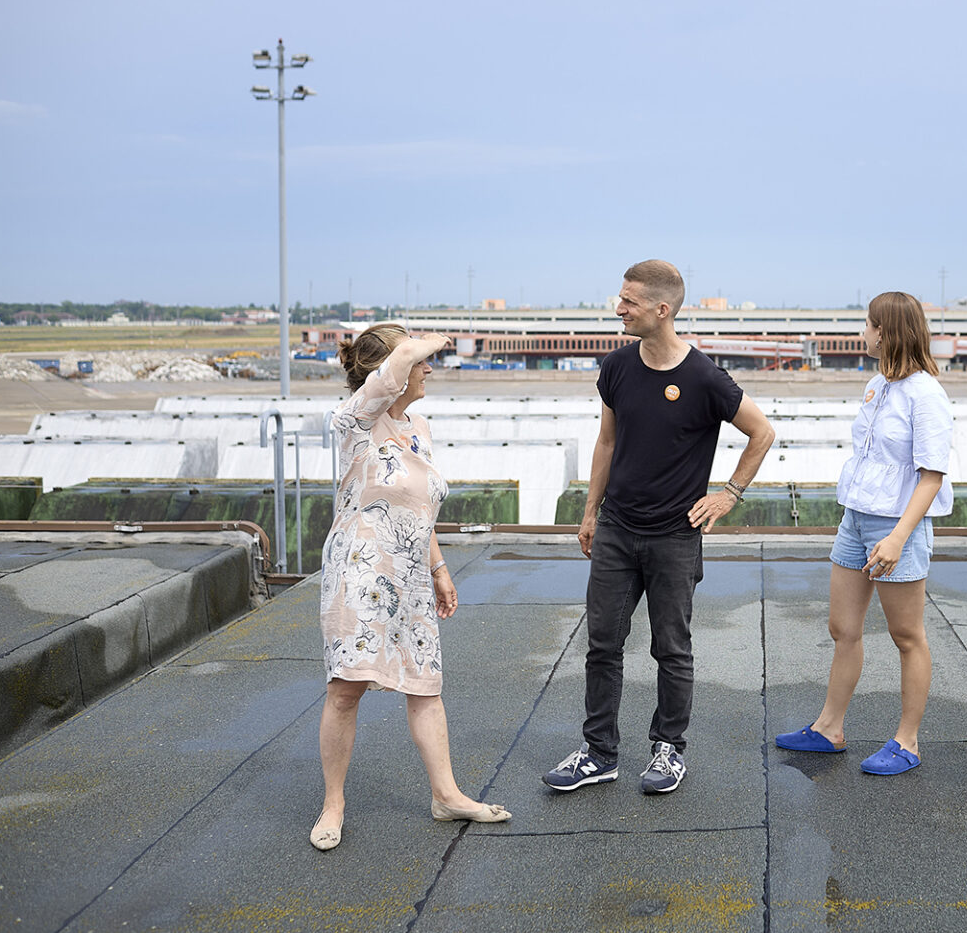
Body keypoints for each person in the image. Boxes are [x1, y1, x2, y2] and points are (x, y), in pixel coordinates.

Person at [544, 260, 776, 795]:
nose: (618, 309)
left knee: (671, 648)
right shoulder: (618, 367)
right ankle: (599, 752)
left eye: (628, 302)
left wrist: (728, 495)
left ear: (661, 309)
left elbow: (761, 433)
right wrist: (589, 511)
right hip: (618, 529)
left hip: (674, 535)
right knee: (602, 643)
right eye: (619, 299)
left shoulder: (704, 378)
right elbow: (606, 442)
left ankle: (668, 750)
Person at [310, 323, 509, 851]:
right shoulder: (355, 420)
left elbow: (419, 508)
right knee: (346, 687)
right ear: (392, 372)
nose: (428, 370)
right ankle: (333, 805)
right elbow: (389, 375)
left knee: (426, 685)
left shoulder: (417, 426)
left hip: (411, 575)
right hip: (360, 574)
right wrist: (421, 343)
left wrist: (439, 568)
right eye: (420, 363)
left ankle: (446, 795)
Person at [774, 291, 952, 776]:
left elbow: (931, 475)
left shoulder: (926, 394)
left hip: (897, 526)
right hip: (856, 516)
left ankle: (907, 742)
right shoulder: (878, 384)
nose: (863, 333)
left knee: (906, 634)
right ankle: (830, 728)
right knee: (843, 628)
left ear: (888, 331)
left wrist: (897, 537)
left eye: (869, 325)